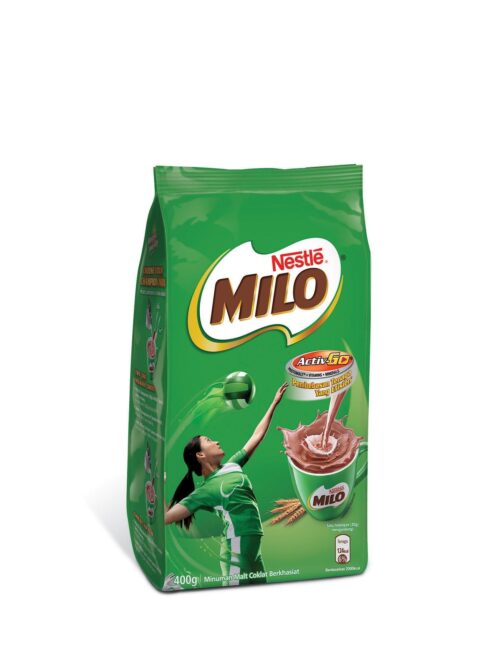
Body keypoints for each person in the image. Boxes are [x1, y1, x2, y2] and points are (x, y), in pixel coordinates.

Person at [164, 382, 288, 586]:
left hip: (253, 548)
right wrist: (156, 488)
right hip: (235, 549)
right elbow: (166, 517)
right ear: (200, 455)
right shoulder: (204, 491)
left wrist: (274, 403)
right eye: (209, 440)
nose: (217, 442)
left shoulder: (232, 465)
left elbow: (256, 436)